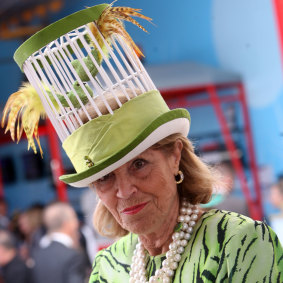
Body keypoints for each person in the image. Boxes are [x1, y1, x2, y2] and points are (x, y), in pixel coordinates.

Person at [1, 2, 283, 283]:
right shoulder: (109, 266)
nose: (124, 191)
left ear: (175, 155)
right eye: (105, 177)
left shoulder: (239, 243)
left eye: (139, 164)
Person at [32, 202, 88, 283]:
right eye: (74, 218)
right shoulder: (73, 256)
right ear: (67, 224)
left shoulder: (37, 255)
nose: (77, 223)